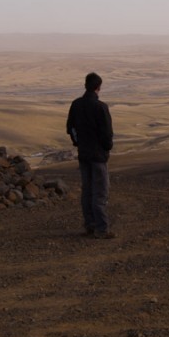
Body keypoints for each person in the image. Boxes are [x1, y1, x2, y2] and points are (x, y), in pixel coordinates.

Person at [66, 72, 115, 239]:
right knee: (100, 192)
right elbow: (107, 134)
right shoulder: (100, 107)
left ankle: (90, 226)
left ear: (85, 85)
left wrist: (77, 143)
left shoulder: (76, 105)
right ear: (98, 87)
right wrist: (106, 148)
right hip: (98, 156)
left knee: (87, 190)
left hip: (84, 154)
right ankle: (101, 229)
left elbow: (70, 128)